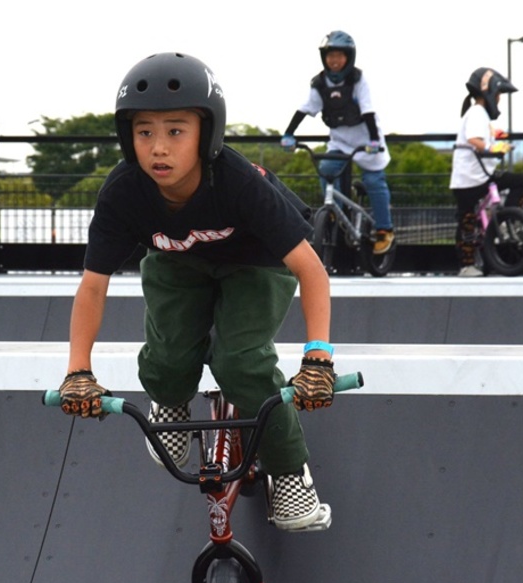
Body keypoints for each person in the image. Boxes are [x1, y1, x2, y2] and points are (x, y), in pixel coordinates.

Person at [56, 52, 337, 532]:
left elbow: (312, 271)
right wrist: (78, 371)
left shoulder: (237, 181)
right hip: (177, 260)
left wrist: (318, 359)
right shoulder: (124, 191)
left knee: (240, 363)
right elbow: (92, 288)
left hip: (256, 261)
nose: (158, 149)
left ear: (206, 134)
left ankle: (289, 470)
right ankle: (170, 397)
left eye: (175, 131)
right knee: (168, 358)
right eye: (145, 132)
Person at [280, 30, 395, 255]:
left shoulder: (358, 80)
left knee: (374, 181)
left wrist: (373, 141)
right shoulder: (320, 83)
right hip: (340, 141)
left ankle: (384, 229)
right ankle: (335, 212)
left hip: (367, 140)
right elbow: (305, 109)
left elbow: (368, 110)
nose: (334, 61)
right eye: (330, 56)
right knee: (327, 169)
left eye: (339, 56)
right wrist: (288, 134)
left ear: (348, 57)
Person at [449, 67, 523, 277]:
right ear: (490, 92)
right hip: (469, 179)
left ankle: (509, 216)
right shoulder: (476, 113)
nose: (500, 99)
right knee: (467, 221)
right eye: (499, 94)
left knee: (520, 181)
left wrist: (497, 135)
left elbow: (485, 132)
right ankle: (466, 266)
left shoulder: (479, 114)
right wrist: (495, 148)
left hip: (480, 176)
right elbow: (475, 140)